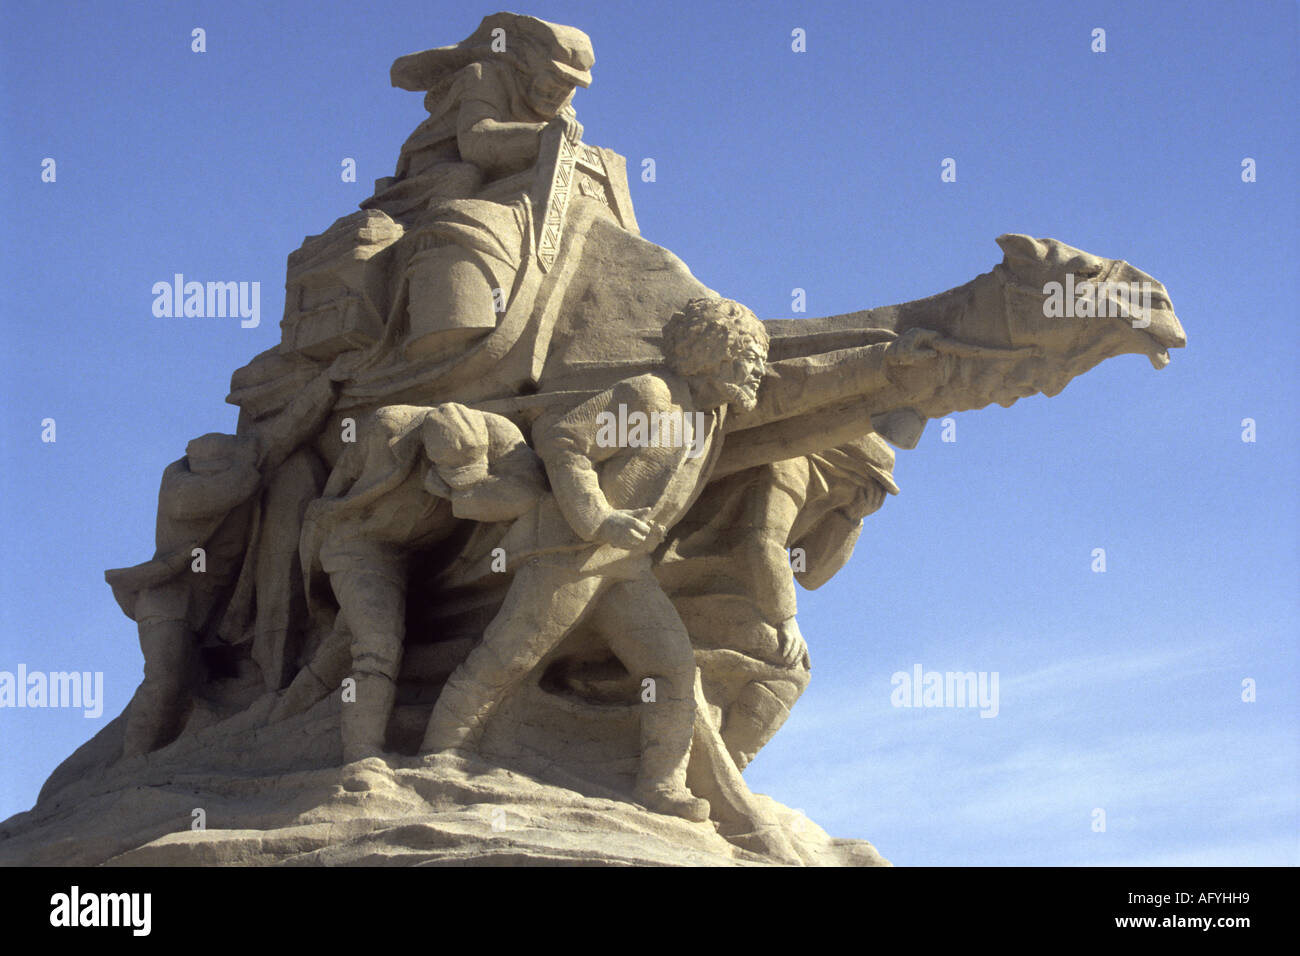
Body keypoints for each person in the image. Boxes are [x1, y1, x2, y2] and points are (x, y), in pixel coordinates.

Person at [421, 296, 948, 820]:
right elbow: (564, 440)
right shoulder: (651, 396)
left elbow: (805, 385)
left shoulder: (712, 416)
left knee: (671, 670)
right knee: (511, 651)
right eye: (748, 361)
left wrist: (890, 364)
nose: (756, 375)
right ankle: (440, 753)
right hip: (572, 553)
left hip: (627, 568)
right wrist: (598, 515)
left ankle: (660, 785)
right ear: (713, 354)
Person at [364, 13, 594, 360]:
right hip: (437, 175)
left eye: (572, 84)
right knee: (464, 182)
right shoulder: (484, 76)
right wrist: (541, 136)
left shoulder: (558, 104)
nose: (561, 91)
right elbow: (475, 142)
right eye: (555, 78)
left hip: (504, 178)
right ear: (526, 64)